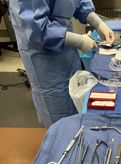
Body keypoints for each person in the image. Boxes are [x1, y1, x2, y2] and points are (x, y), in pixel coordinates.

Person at [9, 0, 114, 128]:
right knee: (57, 109)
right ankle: (57, 141)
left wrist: (97, 22)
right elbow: (35, 27)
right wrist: (79, 40)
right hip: (42, 54)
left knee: (73, 97)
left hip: (65, 46)